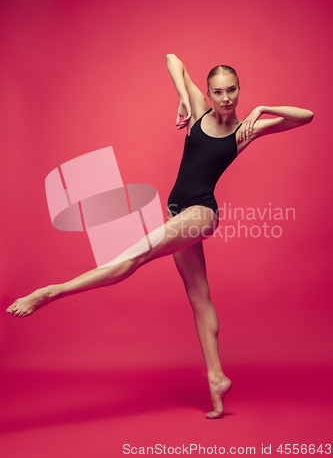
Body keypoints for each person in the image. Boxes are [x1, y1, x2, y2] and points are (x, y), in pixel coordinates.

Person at [6, 54, 314, 419]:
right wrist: (182, 96)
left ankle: (50, 292)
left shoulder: (246, 129)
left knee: (134, 253)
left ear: (239, 91)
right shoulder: (198, 112)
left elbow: (305, 116)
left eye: (232, 90)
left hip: (201, 213)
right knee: (199, 297)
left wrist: (262, 108)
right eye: (218, 92)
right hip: (176, 210)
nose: (226, 98)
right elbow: (172, 59)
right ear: (208, 94)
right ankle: (217, 378)